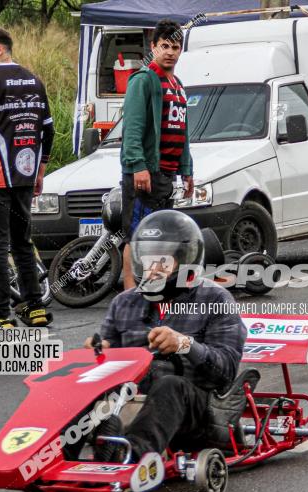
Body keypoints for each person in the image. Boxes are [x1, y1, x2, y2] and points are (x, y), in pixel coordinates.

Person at [84, 210, 246, 463]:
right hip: (132, 403)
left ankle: (128, 459)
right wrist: (99, 353)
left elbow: (226, 372)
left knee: (171, 383)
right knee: (79, 384)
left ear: (187, 259)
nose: (154, 269)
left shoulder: (215, 299)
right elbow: (108, 363)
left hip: (199, 412)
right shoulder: (124, 303)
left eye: (164, 261)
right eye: (148, 260)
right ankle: (50, 459)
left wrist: (185, 344)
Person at [0, 27, 54, 327]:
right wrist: (40, 170)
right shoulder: (34, 79)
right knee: (22, 243)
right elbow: (48, 130)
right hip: (26, 176)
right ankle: (35, 307)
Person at [120, 19, 194, 290]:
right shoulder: (143, 80)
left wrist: (187, 170)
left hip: (167, 174)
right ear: (153, 47)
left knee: (162, 238)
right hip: (145, 174)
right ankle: (129, 293)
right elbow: (133, 129)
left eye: (175, 47)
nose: (170, 52)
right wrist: (138, 166)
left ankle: (154, 290)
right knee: (136, 237)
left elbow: (181, 130)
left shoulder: (177, 84)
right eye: (164, 46)